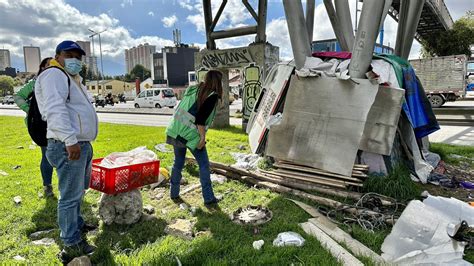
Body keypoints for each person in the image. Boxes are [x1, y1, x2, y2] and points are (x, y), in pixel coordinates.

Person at [35, 40, 98, 263]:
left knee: (78, 191)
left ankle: (77, 224)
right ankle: (71, 241)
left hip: (80, 144)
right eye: (70, 55)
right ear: (58, 55)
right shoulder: (54, 74)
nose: (75, 60)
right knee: (70, 197)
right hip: (68, 145)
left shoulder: (71, 78)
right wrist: (70, 141)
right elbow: (55, 109)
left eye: (78, 56)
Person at [165, 70, 223, 206]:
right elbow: (200, 120)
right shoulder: (212, 96)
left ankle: (174, 194)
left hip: (175, 130)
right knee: (203, 165)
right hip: (190, 135)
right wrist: (202, 138)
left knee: (178, 163)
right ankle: (209, 199)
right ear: (218, 83)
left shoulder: (193, 89)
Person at [14, 57, 55, 197]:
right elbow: (18, 96)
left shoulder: (61, 82)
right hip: (41, 126)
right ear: (42, 67)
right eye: (48, 65)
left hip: (60, 124)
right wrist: (29, 110)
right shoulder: (34, 83)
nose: (52, 68)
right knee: (47, 155)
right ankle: (47, 185)